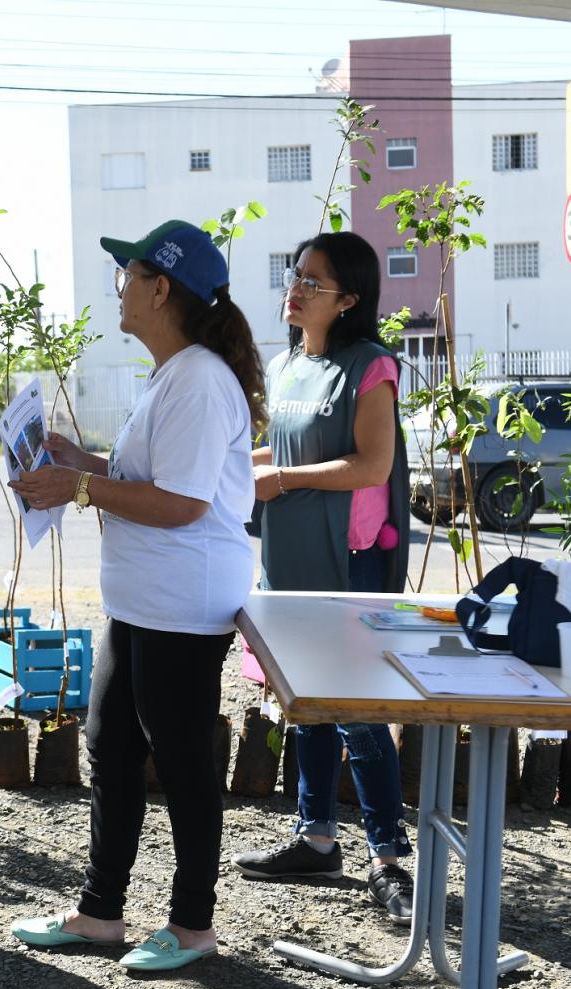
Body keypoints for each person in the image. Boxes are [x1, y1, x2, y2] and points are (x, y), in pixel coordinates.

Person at [7, 220, 262, 971]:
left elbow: (182, 502)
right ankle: (99, 914)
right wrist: (76, 459)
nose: (119, 287)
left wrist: (80, 485)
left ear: (161, 288)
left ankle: (192, 926)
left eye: (130, 274)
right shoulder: (173, 373)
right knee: (111, 746)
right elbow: (148, 474)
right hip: (144, 602)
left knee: (180, 759)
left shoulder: (200, 381)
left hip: (182, 606)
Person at [229, 230, 416, 923]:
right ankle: (315, 837)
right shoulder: (283, 369)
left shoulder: (371, 368)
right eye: (295, 273)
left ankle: (389, 858)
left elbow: (370, 465)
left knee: (359, 714)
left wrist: (279, 479)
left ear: (350, 300)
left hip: (350, 564)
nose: (296, 288)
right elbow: (277, 447)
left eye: (314, 281)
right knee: (301, 701)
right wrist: (238, 465)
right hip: (290, 557)